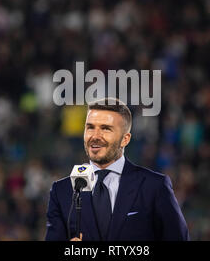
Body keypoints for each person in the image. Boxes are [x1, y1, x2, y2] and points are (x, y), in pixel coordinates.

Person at [45, 98, 190, 241]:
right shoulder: (62, 191)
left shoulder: (154, 186)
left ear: (125, 139)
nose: (95, 136)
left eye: (105, 128)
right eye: (90, 127)